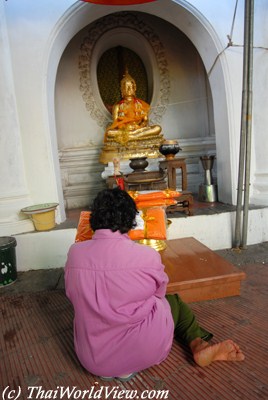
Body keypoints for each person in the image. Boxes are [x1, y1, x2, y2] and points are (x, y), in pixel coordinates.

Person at [65, 188, 245, 381]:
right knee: (172, 302)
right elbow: (159, 293)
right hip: (144, 351)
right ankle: (198, 345)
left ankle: (113, 367)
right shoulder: (146, 256)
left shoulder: (75, 253)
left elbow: (72, 294)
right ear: (131, 220)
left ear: (93, 218)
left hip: (92, 360)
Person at [99, 72, 164, 164]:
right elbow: (115, 124)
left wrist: (138, 127)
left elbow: (145, 121)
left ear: (135, 88)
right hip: (125, 131)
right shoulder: (117, 106)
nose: (129, 89)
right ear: (122, 89)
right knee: (110, 132)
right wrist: (125, 128)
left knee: (157, 128)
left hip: (138, 129)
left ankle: (133, 135)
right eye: (126, 87)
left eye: (131, 87)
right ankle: (133, 135)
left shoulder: (141, 104)